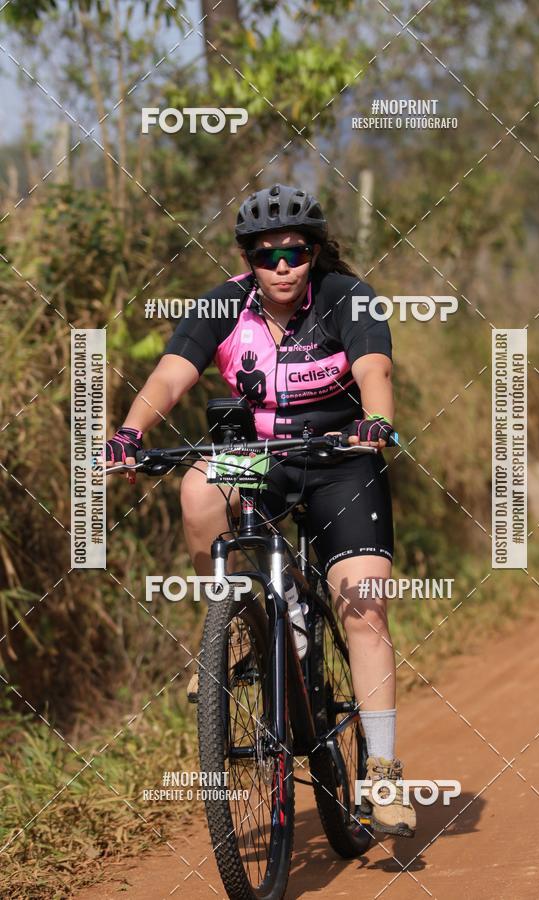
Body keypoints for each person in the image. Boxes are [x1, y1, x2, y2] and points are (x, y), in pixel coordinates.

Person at [104, 183, 416, 837]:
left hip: (341, 454)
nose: (281, 267)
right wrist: (129, 433)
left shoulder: (347, 297)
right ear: (248, 256)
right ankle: (238, 624)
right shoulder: (224, 303)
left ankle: (383, 773)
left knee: (362, 604)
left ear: (314, 253)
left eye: (294, 253)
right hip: (260, 453)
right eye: (267, 254)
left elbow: (374, 368)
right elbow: (169, 375)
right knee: (197, 487)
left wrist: (378, 420)